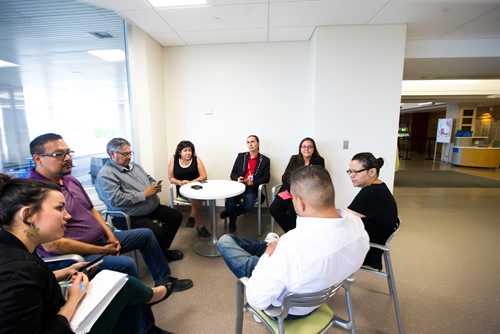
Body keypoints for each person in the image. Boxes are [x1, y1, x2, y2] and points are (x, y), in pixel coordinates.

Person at [0, 174, 175, 334]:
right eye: (60, 208)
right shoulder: (16, 271)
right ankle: (150, 296)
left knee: (123, 283)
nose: (67, 216)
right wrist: (73, 300)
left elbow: (34, 283)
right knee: (124, 284)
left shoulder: (16, 249)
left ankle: (150, 298)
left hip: (57, 306)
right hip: (63, 323)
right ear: (28, 215)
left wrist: (64, 272)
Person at [28, 133, 193, 295]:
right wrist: (102, 250)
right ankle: (143, 307)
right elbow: (54, 245)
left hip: (102, 238)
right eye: (59, 154)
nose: (68, 158)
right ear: (38, 159)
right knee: (126, 263)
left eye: (68, 153)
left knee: (148, 234)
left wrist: (111, 236)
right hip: (80, 252)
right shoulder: (34, 194)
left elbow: (92, 209)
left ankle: (164, 278)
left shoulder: (70, 180)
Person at [217, 166, 369, 317]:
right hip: (319, 290)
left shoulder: (292, 245)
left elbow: (256, 299)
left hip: (288, 310)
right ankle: (271, 248)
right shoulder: (356, 225)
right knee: (270, 244)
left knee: (225, 241)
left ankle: (267, 253)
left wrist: (267, 258)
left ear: (300, 203)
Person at [95, 138, 184, 262]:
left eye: (130, 153)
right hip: (129, 215)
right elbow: (115, 200)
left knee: (176, 216)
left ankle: (161, 249)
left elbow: (148, 178)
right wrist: (144, 194)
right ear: (112, 154)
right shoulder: (106, 175)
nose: (129, 156)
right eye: (125, 154)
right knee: (156, 231)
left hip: (151, 207)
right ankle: (161, 254)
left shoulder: (134, 166)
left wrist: (154, 185)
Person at [346, 152, 399, 271]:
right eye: (350, 171)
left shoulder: (371, 193)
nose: (351, 175)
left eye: (356, 172)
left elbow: (345, 218)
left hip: (368, 252)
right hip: (369, 245)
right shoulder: (378, 187)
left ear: (372, 172)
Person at [269, 137, 324, 233]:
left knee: (292, 208)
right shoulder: (294, 159)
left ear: (314, 149)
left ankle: (292, 234)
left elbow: (318, 180)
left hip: (306, 193)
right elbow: (285, 177)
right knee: (274, 208)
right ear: (300, 148)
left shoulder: (319, 161)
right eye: (304, 147)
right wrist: (293, 186)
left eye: (309, 147)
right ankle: (292, 232)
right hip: (288, 190)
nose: (306, 149)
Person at [220, 135, 270, 232]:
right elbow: (233, 173)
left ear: (258, 143)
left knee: (249, 204)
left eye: (253, 141)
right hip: (239, 186)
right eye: (248, 142)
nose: (250, 144)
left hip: (252, 188)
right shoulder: (241, 156)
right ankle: (232, 220)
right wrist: (238, 178)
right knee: (230, 202)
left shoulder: (265, 160)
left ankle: (231, 215)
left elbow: (266, 178)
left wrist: (253, 182)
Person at [167, 140, 210, 237]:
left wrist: (190, 182)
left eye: (190, 150)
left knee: (196, 197)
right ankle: (200, 226)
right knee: (196, 199)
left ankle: (192, 217)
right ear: (180, 152)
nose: (188, 153)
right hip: (183, 189)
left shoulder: (196, 160)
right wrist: (180, 182)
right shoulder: (173, 160)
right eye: (185, 150)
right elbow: (171, 178)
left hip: (197, 187)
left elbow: (204, 176)